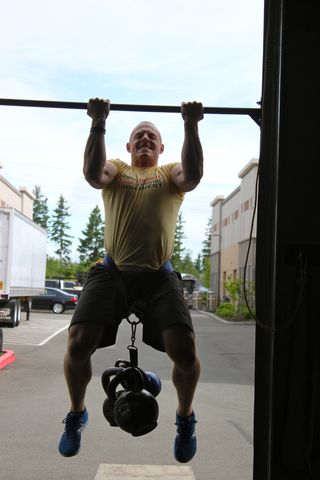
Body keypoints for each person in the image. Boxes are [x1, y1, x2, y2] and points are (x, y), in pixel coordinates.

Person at [58, 98, 204, 463]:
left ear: (161, 147)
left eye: (151, 137)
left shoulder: (170, 174)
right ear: (128, 146)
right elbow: (93, 175)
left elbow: (195, 174)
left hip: (159, 276)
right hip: (112, 272)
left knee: (184, 351)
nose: (145, 140)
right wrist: (98, 122)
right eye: (139, 136)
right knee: (78, 343)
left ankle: (185, 418)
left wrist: (190, 124)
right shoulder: (118, 169)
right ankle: (77, 414)